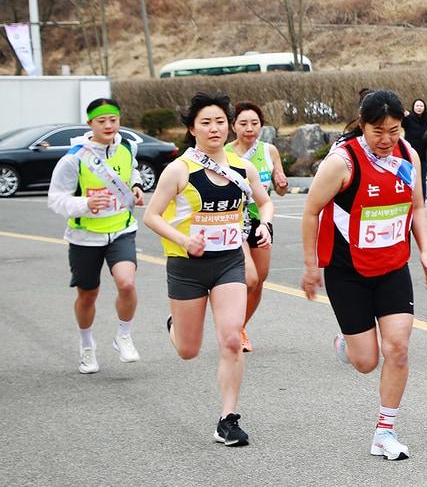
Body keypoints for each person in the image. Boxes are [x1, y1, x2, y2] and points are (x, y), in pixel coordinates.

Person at [300, 89, 427, 461]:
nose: (387, 140)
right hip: (348, 273)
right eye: (378, 132)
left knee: (399, 348)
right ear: (361, 125)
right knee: (366, 362)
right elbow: (312, 212)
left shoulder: (409, 155)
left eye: (394, 130)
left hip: (392, 267)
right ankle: (347, 343)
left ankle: (384, 431)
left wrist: (423, 249)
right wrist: (311, 266)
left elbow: (417, 206)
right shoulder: (342, 163)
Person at [143, 92, 274, 446]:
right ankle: (176, 325)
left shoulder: (241, 168)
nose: (214, 128)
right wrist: (183, 240)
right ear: (192, 129)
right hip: (187, 267)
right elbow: (151, 216)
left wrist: (264, 226)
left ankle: (227, 419)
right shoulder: (179, 170)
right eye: (206, 123)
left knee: (232, 338)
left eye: (220, 121)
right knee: (188, 350)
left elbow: (264, 202)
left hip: (228, 262)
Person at [47, 97, 146, 374]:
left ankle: (123, 336)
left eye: (113, 120)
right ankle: (87, 345)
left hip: (121, 230)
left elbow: (131, 170)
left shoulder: (127, 147)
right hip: (85, 236)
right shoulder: (74, 158)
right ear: (90, 123)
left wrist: (136, 186)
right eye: (101, 121)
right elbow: (55, 199)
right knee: (88, 295)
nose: (108, 125)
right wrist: (84, 205)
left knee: (126, 284)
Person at [230, 102, 290, 352]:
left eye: (254, 123)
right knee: (250, 278)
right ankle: (233, 326)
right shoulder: (225, 153)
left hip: (261, 221)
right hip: (234, 221)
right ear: (233, 126)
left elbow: (281, 191)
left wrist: (282, 182)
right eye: (243, 123)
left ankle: (238, 327)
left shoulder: (269, 151)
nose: (249, 129)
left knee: (260, 279)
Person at [403, 99, 427, 193]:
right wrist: (403, 116)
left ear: (424, 108)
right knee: (410, 179)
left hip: (423, 154)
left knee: (422, 181)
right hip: (410, 154)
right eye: (417, 106)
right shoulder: (408, 118)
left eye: (421, 106)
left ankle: (422, 203)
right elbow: (400, 123)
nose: (419, 108)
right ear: (413, 107)